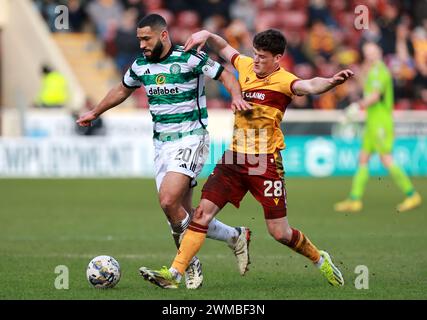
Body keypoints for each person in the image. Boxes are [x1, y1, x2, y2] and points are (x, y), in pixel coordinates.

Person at [139, 28, 354, 289]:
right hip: (234, 159)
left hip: (265, 163)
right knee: (201, 215)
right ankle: (175, 273)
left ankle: (320, 259)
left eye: (263, 56)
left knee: (279, 233)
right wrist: (206, 34)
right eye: (254, 54)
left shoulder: (285, 81)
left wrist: (331, 81)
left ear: (278, 58)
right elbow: (224, 47)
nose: (256, 60)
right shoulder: (246, 65)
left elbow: (310, 85)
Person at [76, 14, 252, 289]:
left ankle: (184, 267)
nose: (142, 44)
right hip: (161, 144)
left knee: (168, 200)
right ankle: (235, 236)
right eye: (139, 39)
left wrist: (237, 96)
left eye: (146, 38)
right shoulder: (140, 66)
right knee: (182, 214)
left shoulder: (189, 58)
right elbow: (122, 89)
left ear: (164, 35)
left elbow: (226, 75)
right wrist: (95, 112)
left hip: (191, 138)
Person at [335, 42, 422, 213]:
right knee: (363, 158)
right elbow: (365, 87)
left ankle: (412, 194)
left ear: (379, 52)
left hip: (381, 122)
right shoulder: (373, 71)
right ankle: (355, 199)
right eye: (367, 53)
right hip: (372, 122)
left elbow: (374, 97)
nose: (369, 56)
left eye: (372, 52)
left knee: (386, 158)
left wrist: (357, 107)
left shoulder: (380, 72)